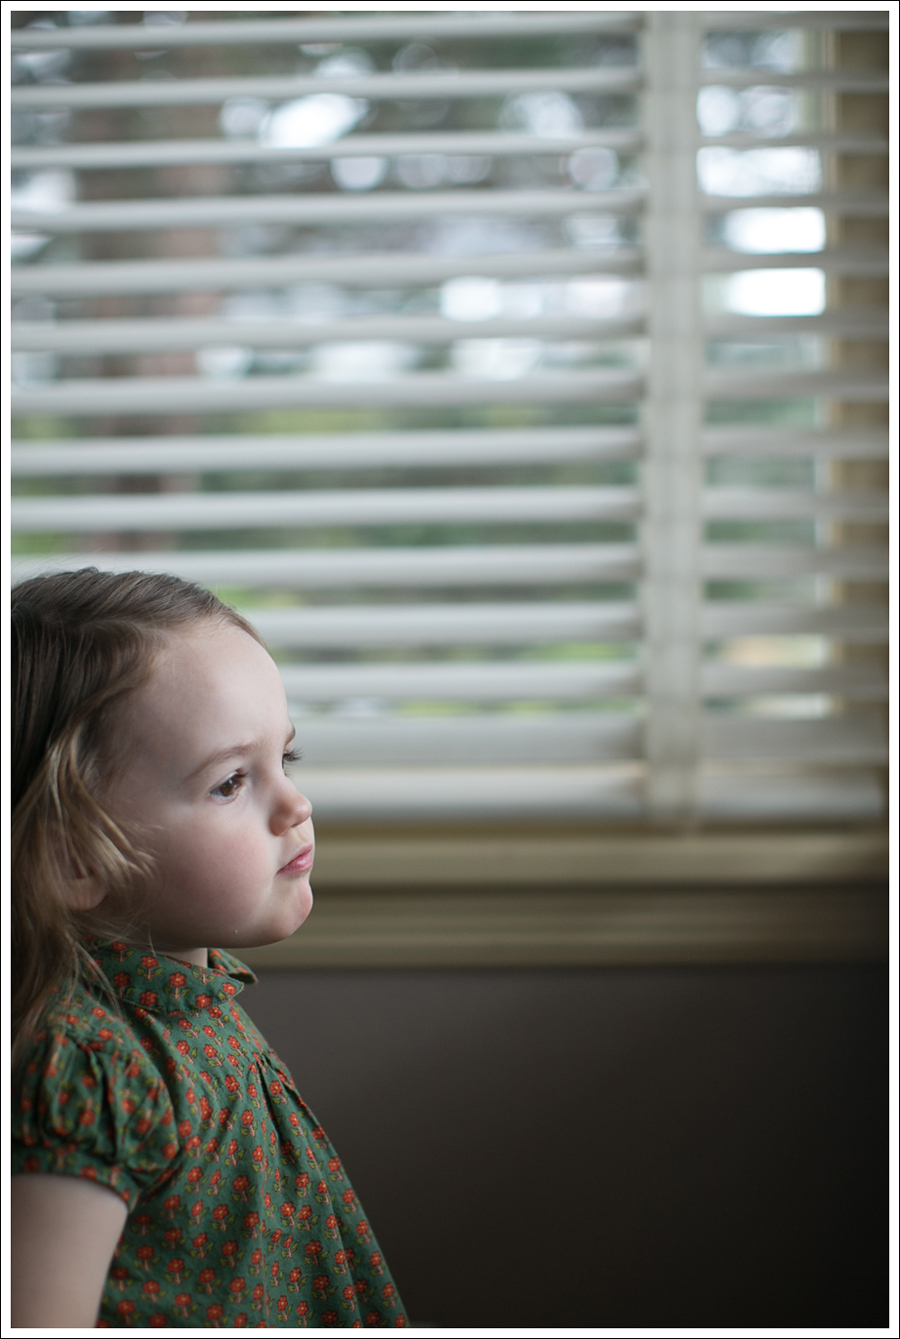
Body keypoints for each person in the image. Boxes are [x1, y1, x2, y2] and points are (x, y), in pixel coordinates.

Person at [11, 568, 407, 1329]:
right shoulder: (86, 1068)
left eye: (286, 760)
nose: (296, 804)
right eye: (230, 783)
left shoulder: (188, 993)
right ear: (75, 859)